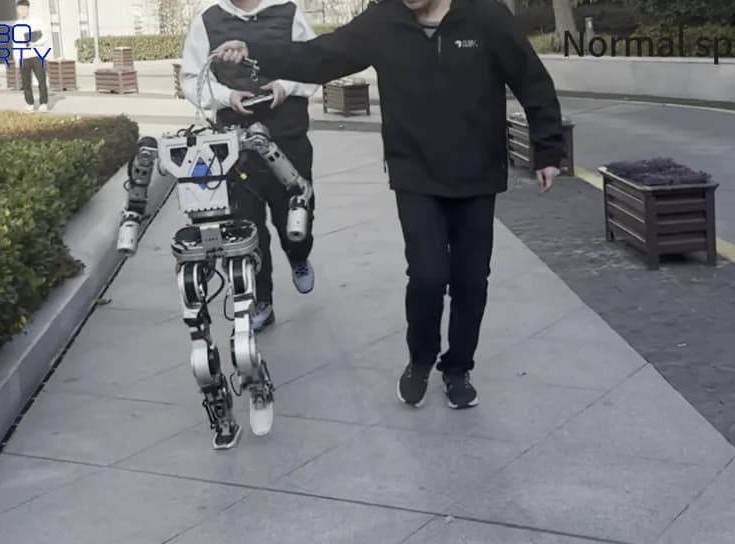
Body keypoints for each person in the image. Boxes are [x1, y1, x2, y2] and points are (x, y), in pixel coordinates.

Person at [212, 0, 564, 409]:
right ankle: (420, 360)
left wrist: (548, 149)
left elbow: (531, 79)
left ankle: (458, 368)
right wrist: (254, 51)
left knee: (471, 280)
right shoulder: (385, 20)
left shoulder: (486, 16)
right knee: (428, 276)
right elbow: (321, 56)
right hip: (414, 172)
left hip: (476, 174)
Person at [180, 0, 320, 332]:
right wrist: (226, 96)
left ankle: (298, 255)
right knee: (246, 227)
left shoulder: (289, 12)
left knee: (297, 216)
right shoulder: (207, 20)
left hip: (288, 137)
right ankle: (261, 300)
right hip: (234, 145)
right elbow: (192, 78)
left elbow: (315, 64)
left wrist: (285, 86)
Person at [15, 0, 49, 113]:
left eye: (24, 8)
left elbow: (45, 36)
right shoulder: (16, 24)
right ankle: (29, 104)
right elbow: (15, 43)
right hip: (23, 56)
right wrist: (17, 59)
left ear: (28, 8)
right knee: (26, 82)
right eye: (20, 9)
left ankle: (43, 103)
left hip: (37, 54)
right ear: (17, 10)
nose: (22, 11)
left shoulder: (37, 21)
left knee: (41, 80)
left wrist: (36, 43)